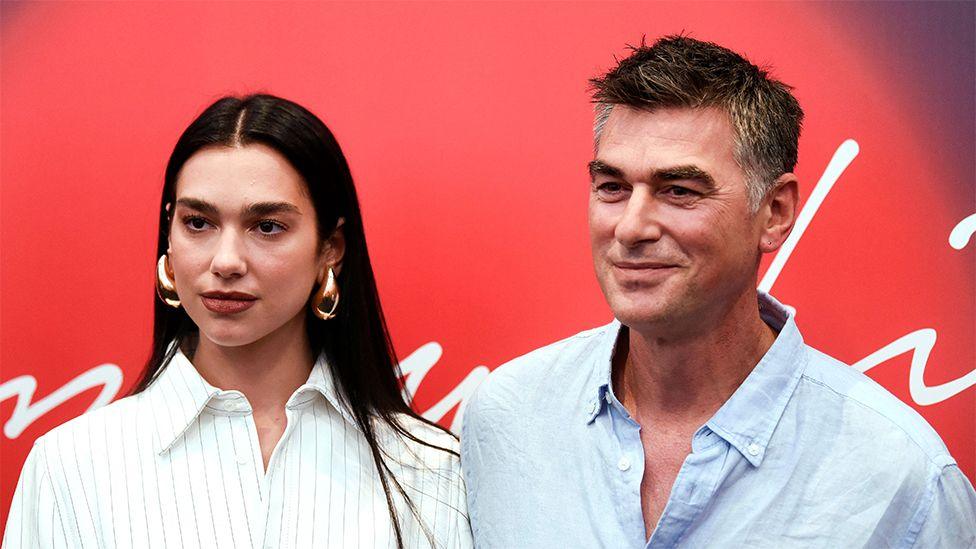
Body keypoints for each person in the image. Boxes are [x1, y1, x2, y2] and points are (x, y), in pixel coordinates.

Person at [461, 36, 976, 547]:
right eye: (612, 187)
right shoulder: (508, 417)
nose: (630, 227)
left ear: (774, 213)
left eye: (679, 191)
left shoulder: (901, 480)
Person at [4, 94, 471, 548]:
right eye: (198, 223)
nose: (226, 261)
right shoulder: (69, 466)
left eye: (267, 226)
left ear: (331, 247)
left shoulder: (428, 471)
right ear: (168, 232)